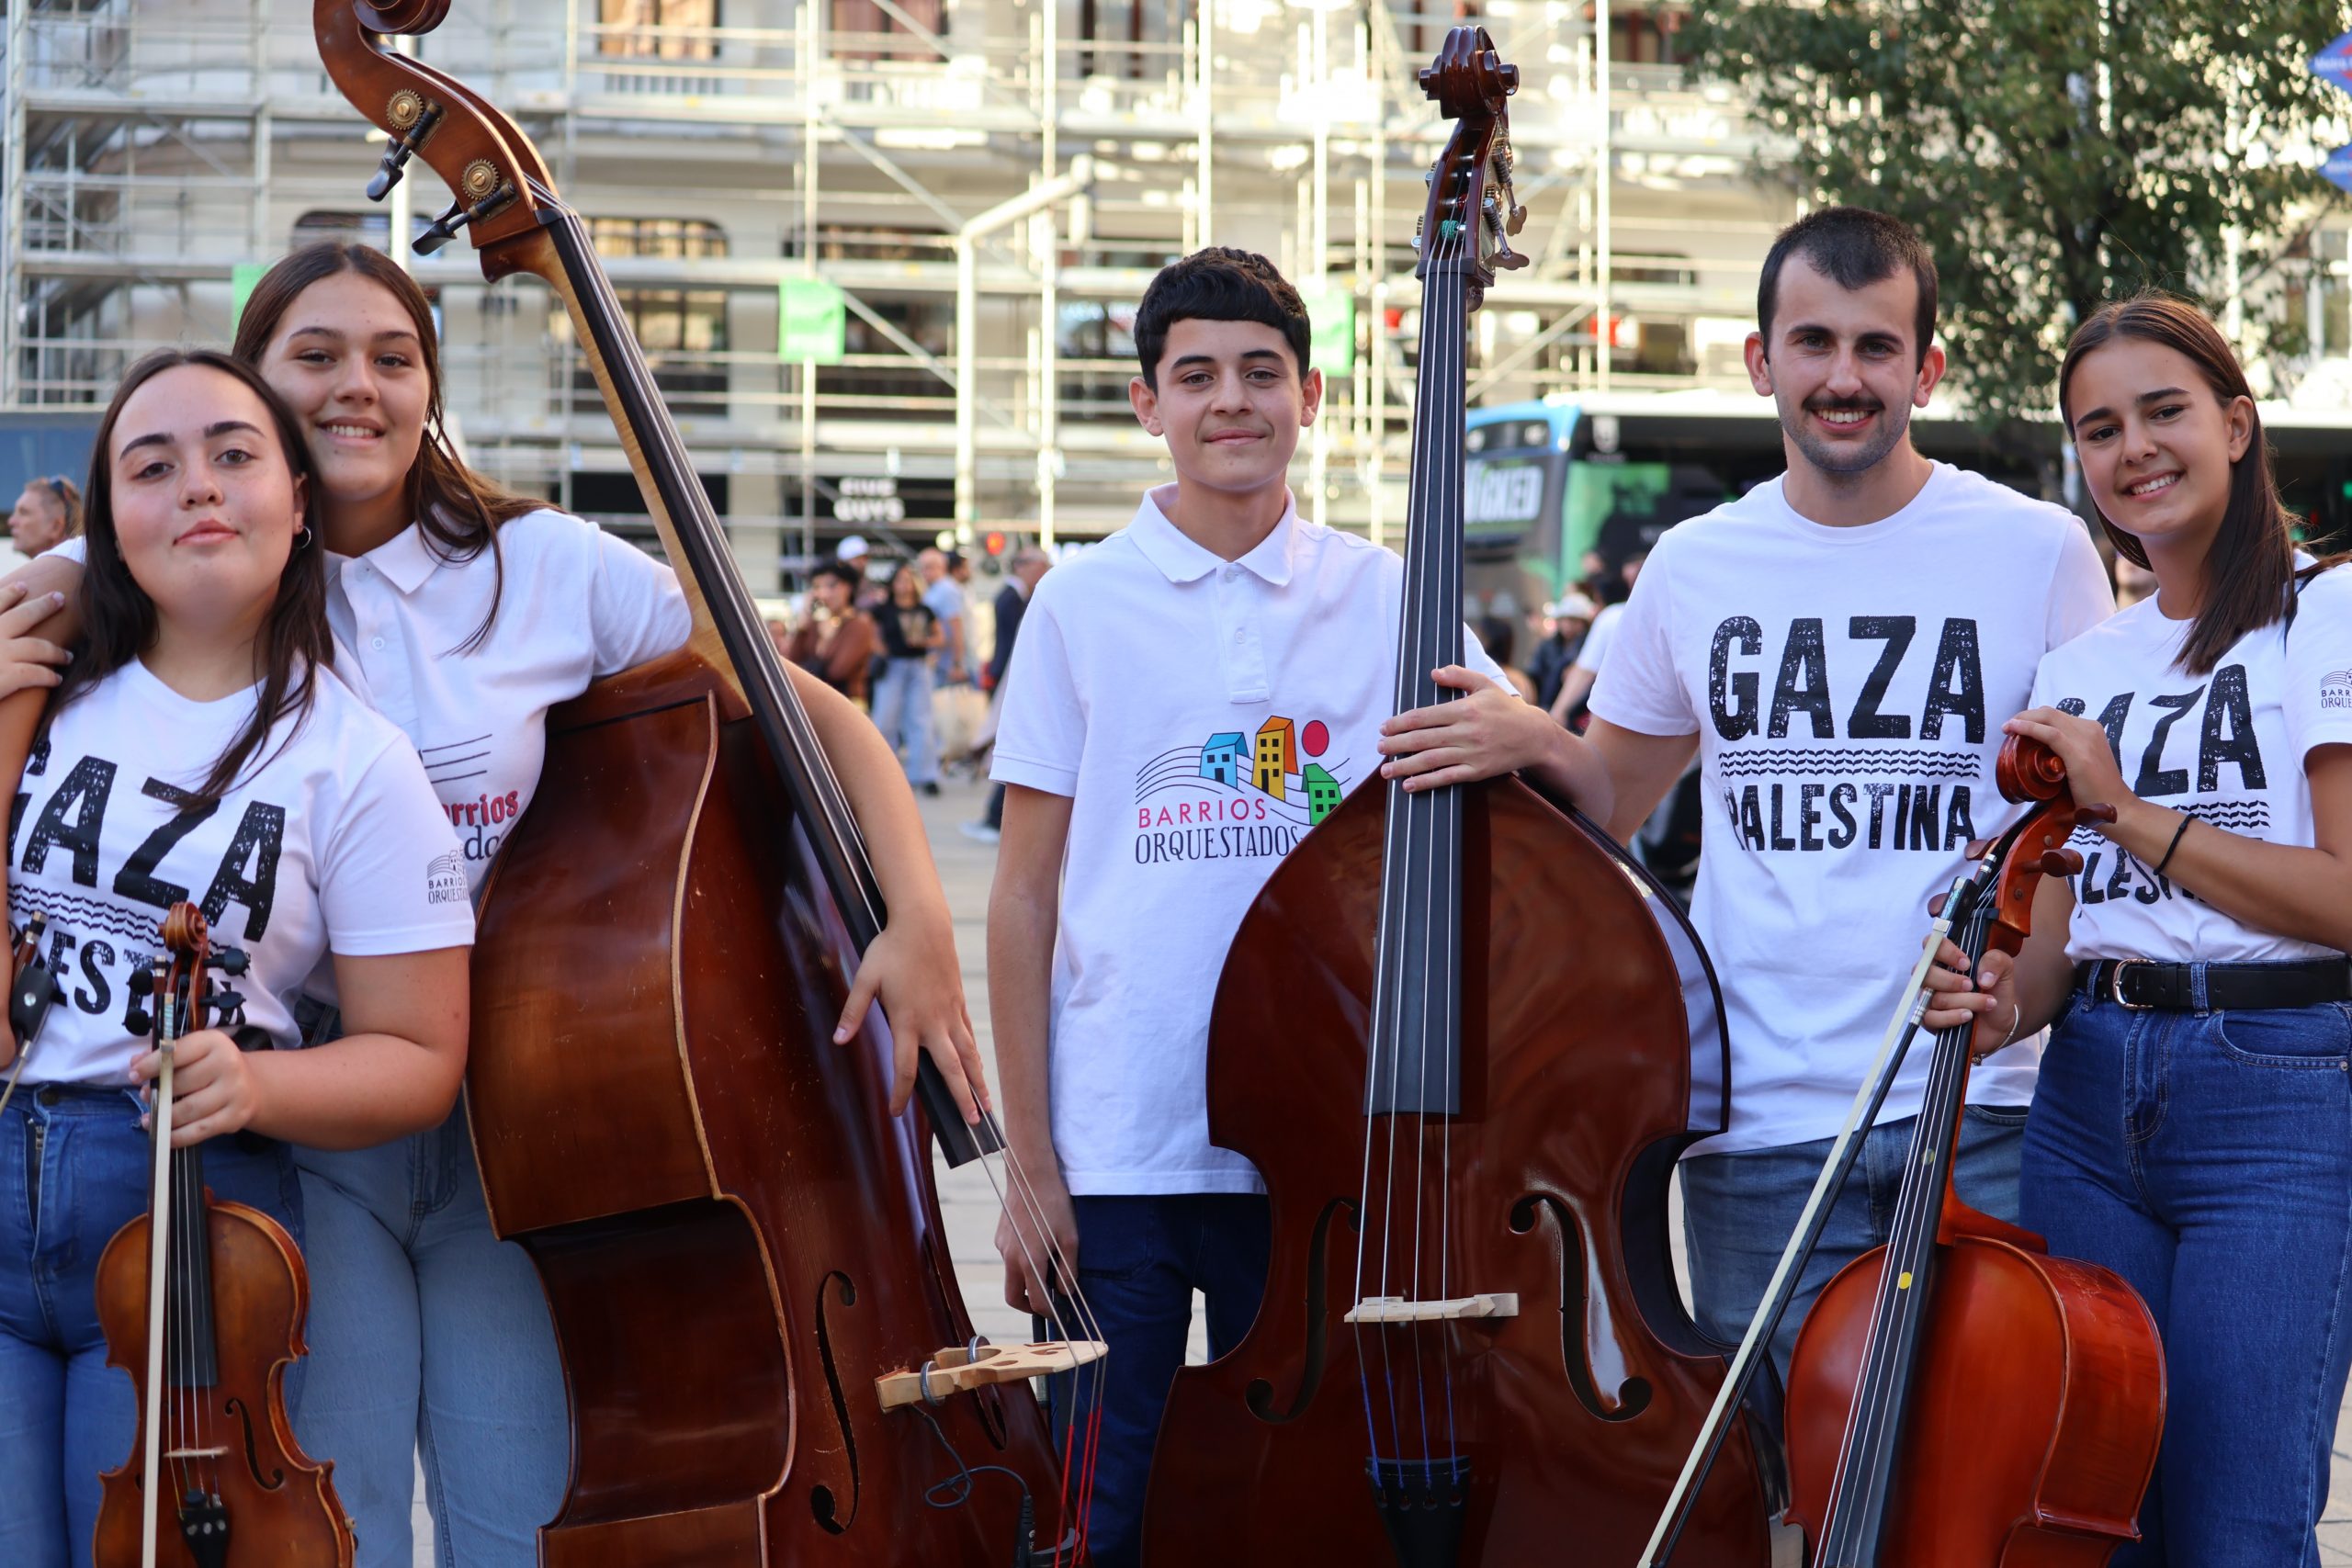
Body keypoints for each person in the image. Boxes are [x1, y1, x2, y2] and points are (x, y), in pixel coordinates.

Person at [0, 242, 987, 1568]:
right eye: (315, 357)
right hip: (302, 1123)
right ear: (253, 386)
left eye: (392, 358)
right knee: (324, 1511)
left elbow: (805, 711)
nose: (358, 386)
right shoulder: (194, 566)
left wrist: (914, 916)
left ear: (430, 388)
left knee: (512, 1513)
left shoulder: (546, 565)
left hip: (527, 1120)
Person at [1374, 206, 2113, 1379]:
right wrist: (1532, 737)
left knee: (1981, 1490)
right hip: (1759, 1125)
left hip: (1986, 1116)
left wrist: (2016, 1003)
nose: (1843, 377)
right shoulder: (1693, 563)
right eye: (1812, 343)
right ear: (1759, 360)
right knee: (1777, 1498)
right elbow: (1613, 798)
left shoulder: (2039, 551)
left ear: (1926, 367)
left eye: (1876, 348)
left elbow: (2080, 834)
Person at [985, 246, 1522, 1568]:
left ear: (1314, 394)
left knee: (1314, 1506)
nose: (1232, 400)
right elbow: (1024, 895)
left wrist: (1530, 730)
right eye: (1198, 375)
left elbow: (1518, 780)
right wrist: (1033, 1164)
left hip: (1322, 1145)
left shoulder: (1393, 591)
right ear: (1145, 403)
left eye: (1261, 372)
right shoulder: (1077, 604)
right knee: (1096, 1514)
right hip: (1121, 1149)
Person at [0, 350, 474, 1568]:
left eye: (232, 453)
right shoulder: (41, 693)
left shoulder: (356, 761)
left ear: (299, 502)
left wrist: (262, 1083)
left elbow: (420, 1052)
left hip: (183, 1214)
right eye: (151, 467)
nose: (195, 487)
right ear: (110, 523)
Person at [1928, 296, 2352, 1567]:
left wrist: (2129, 809)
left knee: (2238, 1521)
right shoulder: (2083, 666)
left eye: (2163, 410)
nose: (2134, 449)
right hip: (2088, 1091)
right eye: (2099, 427)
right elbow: (2061, 940)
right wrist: (2001, 1001)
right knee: (2102, 1515)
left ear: (2236, 421)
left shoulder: (2326, 611)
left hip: (2279, 1089)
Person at [963, 545, 1051, 843]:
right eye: (1043, 565)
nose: (1046, 570)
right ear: (1025, 566)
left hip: (1008, 677)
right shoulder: (1013, 599)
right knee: (1010, 748)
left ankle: (993, 817)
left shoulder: (1016, 597)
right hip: (1009, 679)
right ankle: (993, 818)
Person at [872, 562, 944, 793]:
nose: (904, 585)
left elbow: (939, 637)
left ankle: (925, 774)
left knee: (921, 719)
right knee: (885, 718)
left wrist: (925, 643)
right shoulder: (883, 609)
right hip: (893, 664)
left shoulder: (924, 609)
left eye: (908, 580)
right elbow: (872, 636)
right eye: (900, 580)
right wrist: (883, 652)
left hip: (918, 664)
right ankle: (884, 773)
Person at [787, 559, 880, 705]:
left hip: (847, 704)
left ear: (848, 587)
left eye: (831, 586)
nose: (824, 593)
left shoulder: (858, 625)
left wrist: (826, 641)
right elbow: (791, 660)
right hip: (814, 703)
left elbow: (837, 672)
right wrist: (802, 625)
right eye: (817, 586)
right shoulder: (815, 623)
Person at [1528, 591, 1594, 714]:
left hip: (1578, 712)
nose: (1568, 625)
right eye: (1565, 619)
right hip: (1544, 707)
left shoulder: (1590, 646)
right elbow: (1534, 675)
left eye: (1574, 620)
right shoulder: (1547, 646)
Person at [919, 546, 969, 685]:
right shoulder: (935, 589)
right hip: (939, 662)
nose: (924, 572)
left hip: (946, 665)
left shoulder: (946, 590)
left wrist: (957, 663)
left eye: (929, 567)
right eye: (922, 567)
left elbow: (956, 626)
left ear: (941, 566)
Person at [8, 474, 81, 563]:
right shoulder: (79, 570)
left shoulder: (66, 575)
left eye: (24, 512)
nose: (11, 522)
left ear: (56, 527)